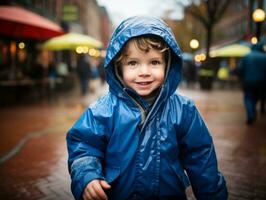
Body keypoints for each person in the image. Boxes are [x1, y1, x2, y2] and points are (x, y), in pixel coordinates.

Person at [67, 16, 228, 200]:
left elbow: (201, 158)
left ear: (167, 65)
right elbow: (84, 147)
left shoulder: (183, 110)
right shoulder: (103, 110)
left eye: (154, 62)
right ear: (119, 67)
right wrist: (87, 176)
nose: (144, 72)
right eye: (133, 63)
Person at [236, 43, 266, 124]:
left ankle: (250, 114)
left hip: (248, 81)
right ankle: (252, 110)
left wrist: (241, 77)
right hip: (262, 82)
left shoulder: (247, 56)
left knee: (248, 98)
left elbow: (240, 69)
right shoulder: (264, 57)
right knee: (256, 97)